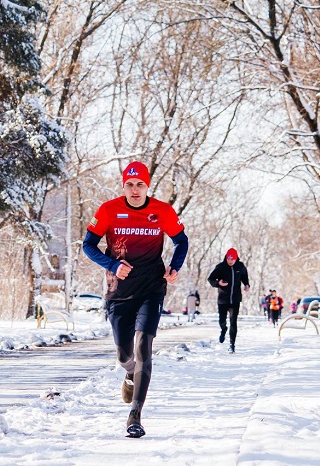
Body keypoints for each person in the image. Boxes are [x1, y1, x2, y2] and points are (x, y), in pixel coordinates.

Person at [82, 160, 188, 438]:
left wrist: (174, 267)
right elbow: (88, 245)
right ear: (123, 186)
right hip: (119, 290)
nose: (135, 190)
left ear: (147, 185)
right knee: (124, 354)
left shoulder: (162, 211)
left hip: (151, 288)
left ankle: (135, 415)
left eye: (140, 184)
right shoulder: (108, 210)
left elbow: (181, 240)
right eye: (130, 184)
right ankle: (129, 372)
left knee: (144, 346)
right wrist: (112, 265)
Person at [207, 248, 250, 354]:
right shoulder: (220, 267)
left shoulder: (240, 266)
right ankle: (223, 329)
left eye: (232, 259)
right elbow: (211, 279)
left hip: (235, 299)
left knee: (233, 322)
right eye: (228, 259)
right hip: (223, 299)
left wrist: (246, 284)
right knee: (222, 320)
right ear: (226, 258)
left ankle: (232, 344)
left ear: (236, 259)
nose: (230, 261)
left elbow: (244, 276)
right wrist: (218, 283)